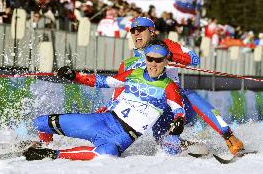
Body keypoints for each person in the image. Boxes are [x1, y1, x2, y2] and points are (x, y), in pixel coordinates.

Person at [97, 17, 244, 156]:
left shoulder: (167, 45)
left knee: (189, 95)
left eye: (140, 29)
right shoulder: (127, 64)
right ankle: (189, 146)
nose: (136, 33)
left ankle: (228, 136)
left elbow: (194, 59)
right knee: (166, 147)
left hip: (179, 104)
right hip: (156, 112)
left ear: (151, 31)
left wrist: (171, 56)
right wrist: (107, 108)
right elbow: (118, 93)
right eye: (133, 31)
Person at [23, 41, 185, 161]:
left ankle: (52, 154)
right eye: (150, 59)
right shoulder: (133, 73)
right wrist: (75, 76)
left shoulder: (169, 86)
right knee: (41, 123)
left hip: (122, 135)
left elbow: (179, 111)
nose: (154, 64)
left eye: (159, 60)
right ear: (146, 58)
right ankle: (44, 145)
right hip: (103, 121)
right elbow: (103, 81)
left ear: (166, 61)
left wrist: (178, 123)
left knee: (108, 153)